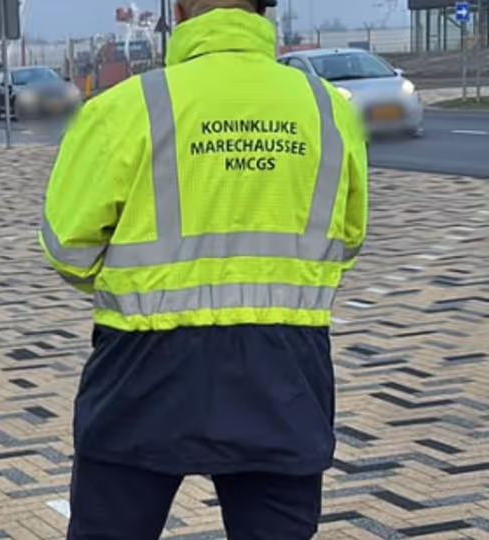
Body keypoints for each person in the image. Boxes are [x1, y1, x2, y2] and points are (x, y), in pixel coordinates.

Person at [38, 0, 367, 538]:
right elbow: (346, 240)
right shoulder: (329, 108)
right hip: (285, 370)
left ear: (180, 5)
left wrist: (145, 283)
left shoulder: (126, 107)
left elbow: (66, 247)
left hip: (142, 369)